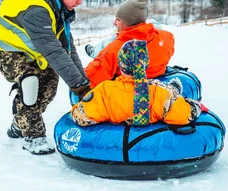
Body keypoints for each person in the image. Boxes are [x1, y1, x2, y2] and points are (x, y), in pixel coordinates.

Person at [0, 0, 92, 155]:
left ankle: (19, 122)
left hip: (22, 42)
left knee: (49, 84)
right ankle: (33, 137)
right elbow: (53, 50)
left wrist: (82, 83)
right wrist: (78, 86)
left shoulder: (59, 9)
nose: (80, 2)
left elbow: (67, 49)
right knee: (29, 81)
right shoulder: (38, 11)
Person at [71, 40, 201, 127]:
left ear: (121, 65)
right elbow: (182, 115)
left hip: (114, 147)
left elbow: (82, 115)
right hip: (159, 97)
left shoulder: (104, 91)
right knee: (168, 93)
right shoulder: (157, 92)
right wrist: (194, 105)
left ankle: (173, 89)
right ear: (146, 64)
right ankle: (173, 90)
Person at [84, 0, 175, 88]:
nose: (114, 23)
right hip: (157, 87)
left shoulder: (115, 50)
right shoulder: (167, 38)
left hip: (128, 92)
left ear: (129, 22)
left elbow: (92, 78)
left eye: (118, 20)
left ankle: (94, 52)